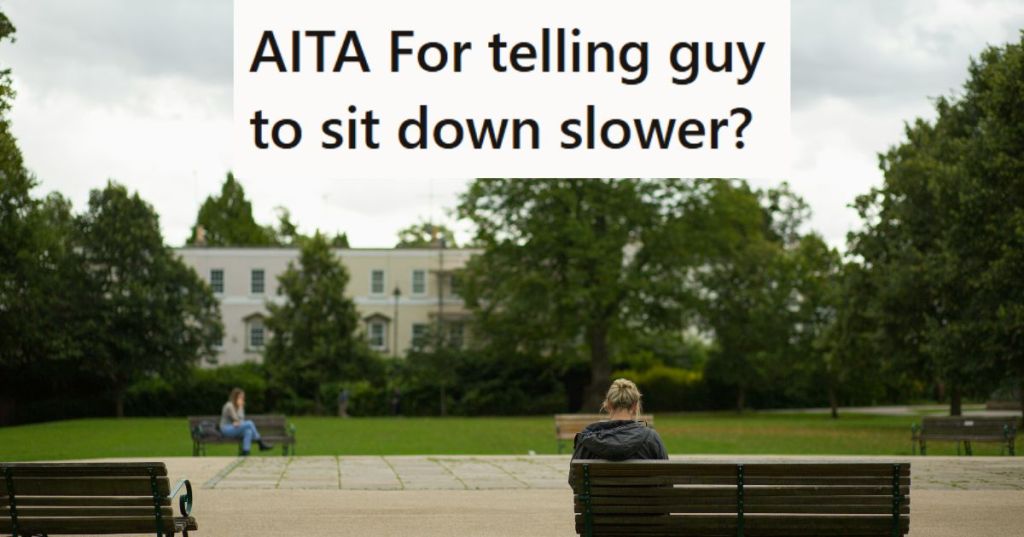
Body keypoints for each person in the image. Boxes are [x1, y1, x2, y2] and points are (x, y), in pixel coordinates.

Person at [569, 378, 667, 484]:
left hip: (600, 495)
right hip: (643, 495)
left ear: (608, 404)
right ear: (635, 406)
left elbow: (574, 480)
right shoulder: (651, 438)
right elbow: (666, 479)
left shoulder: (587, 439)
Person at [220, 388, 273, 456]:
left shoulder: (238, 406)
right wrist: (240, 407)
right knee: (250, 423)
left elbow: (241, 420)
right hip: (226, 429)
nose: (242, 399)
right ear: (235, 397)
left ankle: (245, 452)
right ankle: (260, 443)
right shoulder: (229, 405)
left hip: (235, 428)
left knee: (248, 431)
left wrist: (240, 409)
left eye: (243, 397)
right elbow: (236, 419)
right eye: (240, 397)